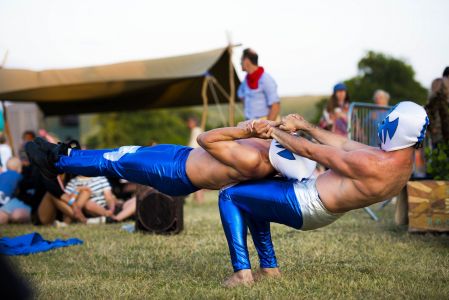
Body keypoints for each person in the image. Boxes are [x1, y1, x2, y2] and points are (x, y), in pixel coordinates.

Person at [216, 101, 429, 287]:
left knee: (229, 195)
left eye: (389, 121)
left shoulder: (374, 163)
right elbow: (344, 144)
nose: (383, 124)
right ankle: (269, 269)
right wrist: (304, 126)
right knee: (252, 197)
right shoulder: (401, 163)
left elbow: (309, 151)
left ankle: (242, 274)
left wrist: (269, 129)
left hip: (305, 202)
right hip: (317, 203)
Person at [25, 123, 316, 199]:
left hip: (175, 172)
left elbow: (206, 139)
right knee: (125, 150)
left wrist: (245, 130)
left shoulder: (255, 159)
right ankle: (63, 155)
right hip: (181, 158)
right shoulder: (266, 150)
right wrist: (254, 128)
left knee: (116, 161)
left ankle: (57, 162)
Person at [238, 48, 280, 121]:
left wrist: (268, 127)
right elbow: (241, 96)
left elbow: (275, 106)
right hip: (251, 123)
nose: (240, 63)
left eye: (241, 60)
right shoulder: (245, 82)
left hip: (265, 123)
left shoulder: (266, 79)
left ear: (246, 61)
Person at [0, 157, 31, 224]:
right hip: (7, 201)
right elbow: (18, 190)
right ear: (20, 169)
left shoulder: (1, 175)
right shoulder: (19, 176)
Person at [186, 116, 205, 203]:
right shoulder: (197, 130)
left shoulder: (196, 131)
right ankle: (197, 199)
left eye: (189, 122)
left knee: (196, 179)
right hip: (199, 157)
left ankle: (199, 199)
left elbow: (193, 146)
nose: (188, 124)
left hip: (196, 157)